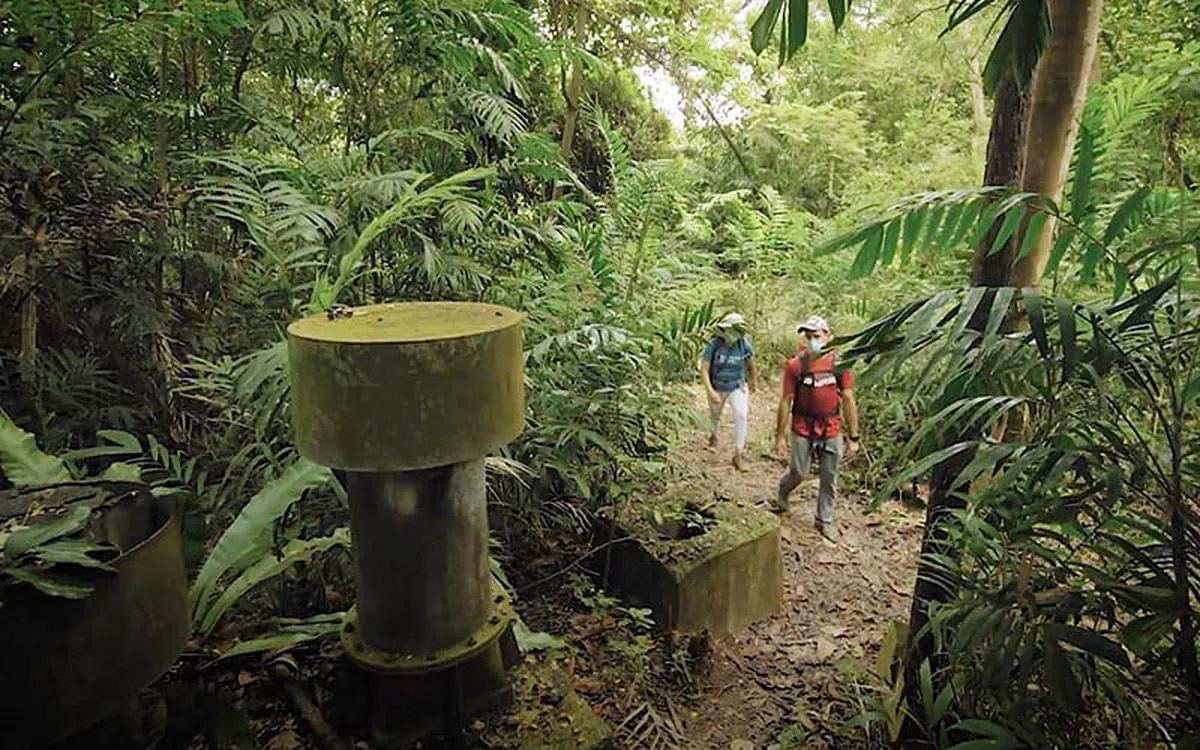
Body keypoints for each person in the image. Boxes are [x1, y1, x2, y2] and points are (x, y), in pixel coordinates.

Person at [772, 315, 860, 543]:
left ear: (827, 336)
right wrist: (779, 437)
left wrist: (854, 436)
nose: (813, 341)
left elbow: (848, 398)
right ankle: (783, 492)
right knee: (798, 472)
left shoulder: (839, 365)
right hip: (802, 426)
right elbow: (785, 401)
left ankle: (825, 519)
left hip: (831, 427)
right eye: (809, 337)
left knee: (829, 477)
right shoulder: (795, 365)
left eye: (817, 336)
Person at [700, 312, 757, 472]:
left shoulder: (744, 344)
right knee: (714, 415)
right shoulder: (713, 344)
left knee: (741, 415)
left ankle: (738, 453)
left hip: (737, 385)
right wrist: (710, 391)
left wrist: (753, 382)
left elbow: (751, 364)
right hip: (717, 385)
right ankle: (713, 434)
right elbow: (704, 369)